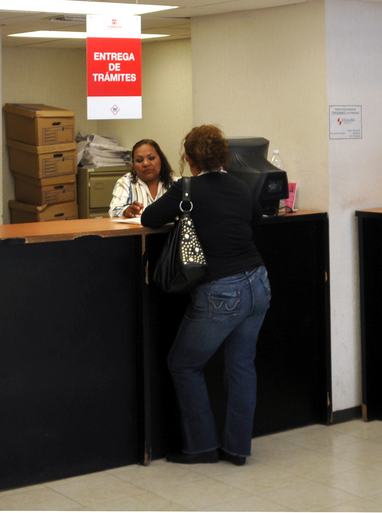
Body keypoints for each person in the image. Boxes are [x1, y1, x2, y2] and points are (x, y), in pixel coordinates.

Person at [141, 124, 270, 466]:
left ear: (189, 158)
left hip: (221, 292)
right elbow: (257, 216)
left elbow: (149, 217)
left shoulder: (187, 188)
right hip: (258, 283)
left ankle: (201, 446)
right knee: (241, 366)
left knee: (183, 364)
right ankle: (237, 449)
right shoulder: (240, 184)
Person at [109, 138, 174, 218]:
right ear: (133, 165)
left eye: (151, 158)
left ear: (161, 159)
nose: (146, 163)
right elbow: (114, 210)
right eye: (139, 160)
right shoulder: (126, 182)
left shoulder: (175, 183)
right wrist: (126, 211)